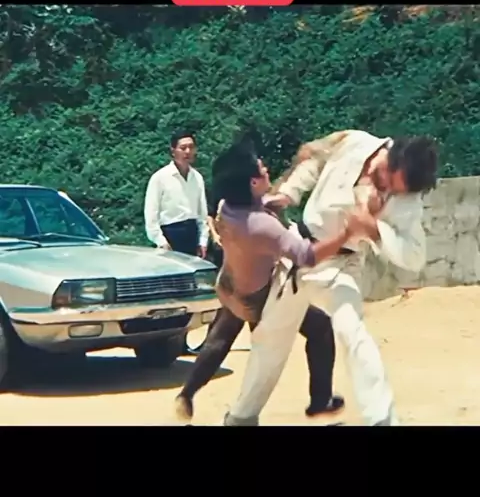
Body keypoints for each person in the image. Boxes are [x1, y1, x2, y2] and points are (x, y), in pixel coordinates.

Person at [223, 130, 438, 426]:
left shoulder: (407, 202)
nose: (387, 188)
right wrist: (289, 193)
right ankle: (241, 416)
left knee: (352, 332)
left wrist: (375, 229)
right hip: (300, 252)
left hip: (339, 265)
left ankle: (382, 419)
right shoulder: (355, 143)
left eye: (395, 190)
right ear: (390, 156)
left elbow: (414, 256)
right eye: (388, 178)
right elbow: (315, 161)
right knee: (269, 337)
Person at [174, 140, 374, 424]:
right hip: (259, 298)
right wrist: (347, 233)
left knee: (221, 337)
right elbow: (305, 255)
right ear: (253, 182)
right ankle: (318, 400)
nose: (266, 168)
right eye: (262, 168)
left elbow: (262, 204)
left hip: (230, 283)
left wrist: (280, 193)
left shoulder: (228, 206)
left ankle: (187, 393)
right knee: (316, 329)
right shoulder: (262, 225)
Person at [144, 129, 209, 258]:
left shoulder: (197, 177)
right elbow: (151, 216)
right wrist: (161, 242)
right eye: (183, 148)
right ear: (173, 151)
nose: (187, 152)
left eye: (191, 147)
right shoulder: (160, 178)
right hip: (170, 235)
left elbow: (202, 214)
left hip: (192, 234)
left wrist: (203, 241)